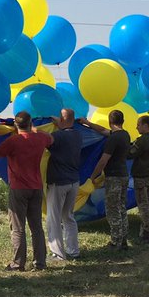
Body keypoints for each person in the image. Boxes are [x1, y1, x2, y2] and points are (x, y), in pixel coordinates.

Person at [0, 110, 53, 271]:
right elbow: (51, 138)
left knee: (18, 227)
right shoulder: (40, 138)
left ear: (16, 124)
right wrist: (35, 129)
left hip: (18, 188)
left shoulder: (14, 141)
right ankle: (40, 262)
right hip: (36, 187)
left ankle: (18, 263)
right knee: (36, 227)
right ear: (30, 124)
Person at [46, 109, 87, 261]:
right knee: (68, 217)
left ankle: (58, 254)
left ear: (61, 121)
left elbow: (45, 139)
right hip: (73, 181)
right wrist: (60, 123)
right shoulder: (77, 135)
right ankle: (73, 251)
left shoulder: (58, 136)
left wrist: (34, 128)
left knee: (54, 218)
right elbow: (66, 128)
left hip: (58, 182)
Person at [88, 110, 132, 250]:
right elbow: (103, 130)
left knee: (112, 209)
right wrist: (87, 123)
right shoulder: (125, 135)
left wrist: (92, 176)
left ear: (110, 121)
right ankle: (123, 240)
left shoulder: (113, 139)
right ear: (122, 121)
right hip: (124, 175)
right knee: (121, 208)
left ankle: (115, 242)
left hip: (114, 177)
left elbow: (104, 160)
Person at [128, 115, 149, 243]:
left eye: (138, 124)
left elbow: (130, 154)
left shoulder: (142, 141)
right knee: (147, 204)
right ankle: (144, 231)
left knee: (143, 206)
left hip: (141, 178)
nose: (136, 127)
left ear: (145, 125)